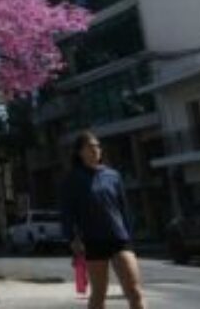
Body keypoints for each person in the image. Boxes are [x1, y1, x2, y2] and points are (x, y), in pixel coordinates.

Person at [59, 131, 146, 309]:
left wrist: (130, 236)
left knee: (135, 291)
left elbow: (123, 208)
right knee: (99, 295)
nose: (96, 150)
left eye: (98, 146)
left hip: (119, 239)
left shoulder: (113, 176)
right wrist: (72, 239)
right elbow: (67, 213)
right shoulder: (72, 179)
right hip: (92, 241)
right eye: (90, 147)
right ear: (80, 152)